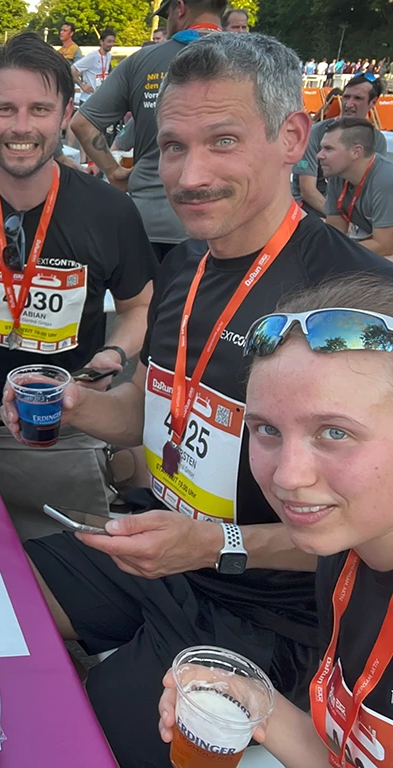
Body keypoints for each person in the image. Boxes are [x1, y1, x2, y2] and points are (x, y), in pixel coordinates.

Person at [8, 33, 393, 768]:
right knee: (5, 598)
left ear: (292, 138)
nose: (190, 175)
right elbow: (156, 410)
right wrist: (77, 403)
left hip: (269, 608)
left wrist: (219, 543)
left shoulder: (357, 303)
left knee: (84, 732)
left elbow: (370, 518)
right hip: (161, 544)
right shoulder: (184, 262)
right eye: (172, 147)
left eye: (222, 141)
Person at [0, 32, 157, 540]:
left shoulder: (111, 211)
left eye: (40, 109)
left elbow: (140, 306)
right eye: (5, 109)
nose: (21, 127)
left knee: (66, 564)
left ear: (66, 113)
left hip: (67, 423)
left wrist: (114, 352)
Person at [157, 274, 393, 766]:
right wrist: (253, 699)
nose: (287, 477)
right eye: (266, 429)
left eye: (334, 432)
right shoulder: (344, 556)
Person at [72, 0, 225, 261]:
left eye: (166, 15)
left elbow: (82, 123)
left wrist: (114, 172)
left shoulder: (142, 60)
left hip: (150, 218)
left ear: (180, 7)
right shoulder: (256, 60)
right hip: (226, 221)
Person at [292, 73, 387, 217]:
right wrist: (339, 218)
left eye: (358, 98)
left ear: (373, 102)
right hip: (313, 210)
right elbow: (307, 190)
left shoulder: (377, 140)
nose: (348, 104)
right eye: (346, 97)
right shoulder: (316, 133)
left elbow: (374, 189)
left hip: (351, 213)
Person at [319, 117, 393, 257]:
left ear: (356, 152)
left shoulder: (386, 179)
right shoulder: (337, 174)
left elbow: (385, 246)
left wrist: (335, 252)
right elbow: (335, 231)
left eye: (328, 149)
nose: (319, 155)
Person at [73, 27, 116, 104]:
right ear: (101, 42)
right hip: (88, 99)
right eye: (109, 41)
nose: (111, 44)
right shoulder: (93, 56)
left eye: (113, 42)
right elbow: (72, 69)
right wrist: (82, 85)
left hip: (100, 98)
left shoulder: (108, 56)